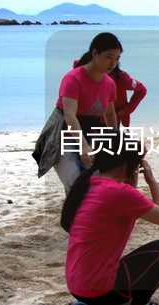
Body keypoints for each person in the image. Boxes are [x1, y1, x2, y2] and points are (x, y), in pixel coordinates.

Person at [62, 134, 159, 305]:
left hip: (77, 287)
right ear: (127, 165)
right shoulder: (119, 193)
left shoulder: (89, 184)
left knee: (109, 262)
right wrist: (151, 180)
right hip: (99, 292)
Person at [33, 32, 121, 194]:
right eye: (109, 57)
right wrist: (83, 147)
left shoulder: (109, 83)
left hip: (92, 131)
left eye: (117, 59)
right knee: (75, 180)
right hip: (63, 132)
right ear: (95, 53)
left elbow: (109, 114)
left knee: (99, 179)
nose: (113, 63)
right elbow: (69, 115)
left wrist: (115, 139)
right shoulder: (73, 78)